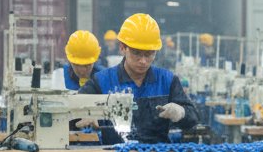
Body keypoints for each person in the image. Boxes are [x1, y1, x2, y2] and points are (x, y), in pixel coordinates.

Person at [80, 13, 198, 145]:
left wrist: (181, 113)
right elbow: (71, 110)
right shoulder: (102, 81)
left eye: (149, 54)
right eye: (136, 53)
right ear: (122, 48)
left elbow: (193, 119)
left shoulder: (167, 80)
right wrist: (84, 115)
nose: (143, 61)